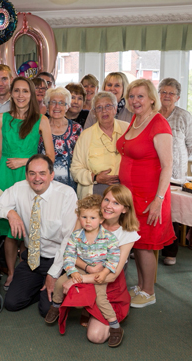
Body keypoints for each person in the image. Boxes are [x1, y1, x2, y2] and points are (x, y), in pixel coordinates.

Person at [0, 155, 78, 316]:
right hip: (32, 259)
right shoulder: (19, 188)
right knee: (12, 303)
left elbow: (69, 241)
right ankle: (39, 288)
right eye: (32, 173)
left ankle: (47, 289)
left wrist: (53, 273)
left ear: (51, 175)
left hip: (57, 260)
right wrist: (9, 212)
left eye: (42, 173)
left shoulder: (66, 195)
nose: (37, 178)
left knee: (46, 310)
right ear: (27, 175)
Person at [0, 77, 54, 291]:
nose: (21, 95)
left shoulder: (41, 120)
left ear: (32, 94)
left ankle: (28, 271)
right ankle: (13, 273)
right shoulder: (1, 118)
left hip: (30, 176)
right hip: (6, 174)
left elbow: (50, 155)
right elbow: (1, 152)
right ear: (11, 94)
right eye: (17, 91)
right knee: (8, 227)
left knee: (29, 223)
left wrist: (25, 161)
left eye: (25, 91)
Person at [116, 79, 175, 308]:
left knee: (145, 245)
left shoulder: (159, 123)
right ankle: (141, 285)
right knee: (136, 241)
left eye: (140, 96)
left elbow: (167, 165)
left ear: (152, 98)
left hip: (150, 196)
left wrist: (158, 201)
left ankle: (149, 292)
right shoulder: (136, 119)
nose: (135, 101)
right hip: (132, 195)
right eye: (132, 96)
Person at [59, 185, 139, 345]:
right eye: (107, 199)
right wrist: (86, 269)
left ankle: (113, 314)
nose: (109, 206)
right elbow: (71, 252)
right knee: (59, 288)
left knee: (96, 337)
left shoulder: (127, 233)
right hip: (86, 272)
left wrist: (78, 279)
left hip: (108, 283)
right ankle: (86, 308)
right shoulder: (88, 217)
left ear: (124, 209)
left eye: (116, 203)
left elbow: (113, 274)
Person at [45, 194, 124, 348]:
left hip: (99, 272)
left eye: (93, 218)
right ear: (79, 217)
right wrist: (72, 271)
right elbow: (69, 255)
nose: (88, 221)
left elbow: (113, 259)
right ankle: (55, 305)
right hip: (80, 269)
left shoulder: (109, 238)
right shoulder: (75, 236)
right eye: (84, 217)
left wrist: (105, 273)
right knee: (61, 282)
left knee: (101, 298)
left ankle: (115, 327)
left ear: (101, 219)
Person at [158, 78, 192, 266]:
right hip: (155, 171)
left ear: (178, 97)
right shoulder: (153, 114)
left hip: (176, 173)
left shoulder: (184, 116)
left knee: (172, 214)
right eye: (164, 92)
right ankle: (150, 247)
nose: (167, 96)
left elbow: (191, 144)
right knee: (154, 209)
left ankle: (170, 251)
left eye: (171, 93)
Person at [70, 92, 129, 199]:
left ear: (115, 108)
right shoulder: (86, 135)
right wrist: (95, 177)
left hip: (124, 190)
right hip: (95, 190)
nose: (104, 111)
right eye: (99, 108)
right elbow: (75, 169)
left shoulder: (127, 129)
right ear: (94, 113)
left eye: (108, 106)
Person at [39, 87, 82, 191]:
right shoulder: (38, 127)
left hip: (70, 186)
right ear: (47, 105)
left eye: (62, 103)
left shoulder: (77, 129)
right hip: (43, 184)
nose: (57, 106)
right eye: (53, 102)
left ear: (67, 107)